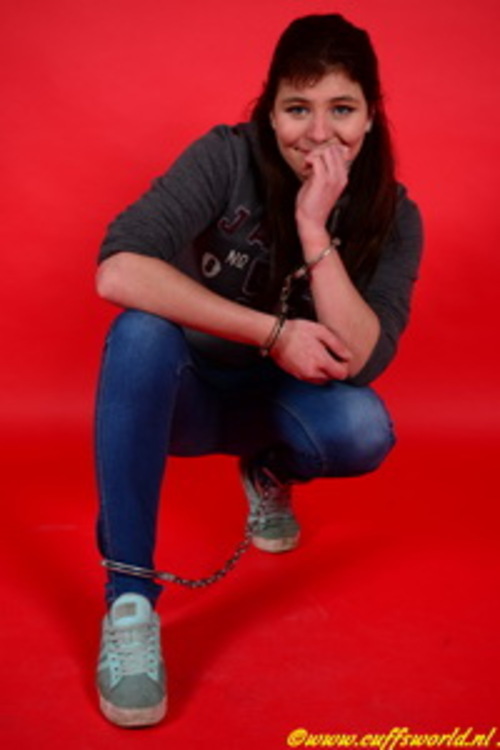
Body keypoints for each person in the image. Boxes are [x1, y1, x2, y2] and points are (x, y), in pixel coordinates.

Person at [94, 13, 423, 727]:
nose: (319, 133)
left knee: (363, 426)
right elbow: (118, 269)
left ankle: (268, 469)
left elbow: (362, 359)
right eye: (297, 109)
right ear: (269, 111)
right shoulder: (226, 158)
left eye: (342, 109)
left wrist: (313, 227)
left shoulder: (394, 215)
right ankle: (129, 603)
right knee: (139, 333)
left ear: (371, 116)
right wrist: (273, 334)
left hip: (280, 406)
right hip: (186, 395)